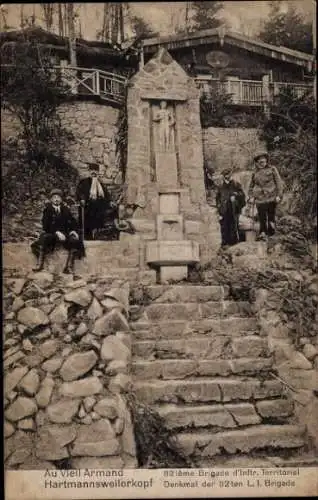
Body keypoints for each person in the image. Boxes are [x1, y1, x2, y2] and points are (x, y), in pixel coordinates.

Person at [31, 189, 84, 274]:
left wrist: (73, 230)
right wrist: (56, 232)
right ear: (51, 199)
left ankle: (69, 267)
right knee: (44, 239)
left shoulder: (65, 209)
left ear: (61, 199)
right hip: (52, 234)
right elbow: (46, 225)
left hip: (65, 234)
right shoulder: (47, 210)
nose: (56, 199)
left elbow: (72, 221)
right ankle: (39, 264)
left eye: (58, 197)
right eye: (54, 197)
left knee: (75, 241)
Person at [248, 152, 284, 240]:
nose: (262, 164)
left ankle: (272, 233)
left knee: (271, 216)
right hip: (259, 199)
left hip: (271, 197)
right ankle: (263, 233)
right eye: (260, 162)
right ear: (257, 162)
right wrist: (251, 197)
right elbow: (251, 186)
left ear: (267, 161)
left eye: (264, 161)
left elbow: (279, 183)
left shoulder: (272, 169)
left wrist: (279, 195)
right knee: (262, 217)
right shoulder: (255, 172)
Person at [76, 163, 112, 240]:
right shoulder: (83, 182)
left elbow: (106, 195)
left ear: (98, 172)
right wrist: (82, 199)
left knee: (102, 209)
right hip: (87, 206)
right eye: (92, 170)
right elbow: (79, 192)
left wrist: (110, 201)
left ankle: (97, 232)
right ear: (89, 171)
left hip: (99, 207)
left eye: (95, 170)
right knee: (90, 211)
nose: (94, 172)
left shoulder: (100, 184)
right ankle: (88, 234)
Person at [216, 169, 246, 248]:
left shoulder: (236, 185)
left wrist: (235, 196)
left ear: (231, 175)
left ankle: (235, 242)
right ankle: (225, 243)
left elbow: (242, 195)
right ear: (223, 176)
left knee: (234, 225)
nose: (227, 177)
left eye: (229, 175)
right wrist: (219, 209)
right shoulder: (221, 187)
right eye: (225, 175)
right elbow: (218, 199)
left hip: (234, 208)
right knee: (225, 225)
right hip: (224, 209)